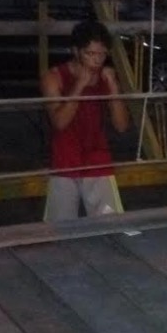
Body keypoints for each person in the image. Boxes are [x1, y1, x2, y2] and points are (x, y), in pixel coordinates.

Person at [40, 19, 131, 222]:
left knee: (110, 224)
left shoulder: (105, 77)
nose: (97, 60)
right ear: (76, 51)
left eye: (102, 54)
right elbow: (59, 122)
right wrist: (79, 85)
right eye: (91, 53)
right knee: (60, 228)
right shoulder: (54, 77)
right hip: (64, 159)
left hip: (98, 158)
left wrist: (114, 87)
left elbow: (122, 126)